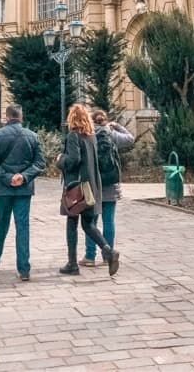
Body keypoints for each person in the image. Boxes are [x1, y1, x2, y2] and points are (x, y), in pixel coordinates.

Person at [56, 103, 120, 277]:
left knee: (72, 223)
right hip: (92, 186)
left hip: (76, 188)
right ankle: (108, 251)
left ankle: (72, 263)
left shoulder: (73, 135)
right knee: (88, 224)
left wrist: (61, 159)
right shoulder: (91, 136)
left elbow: (74, 160)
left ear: (72, 119)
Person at [0, 103, 45, 282]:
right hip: (24, 189)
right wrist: (23, 177)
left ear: (7, 116)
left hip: (3, 188)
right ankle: (24, 268)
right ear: (21, 116)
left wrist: (6, 177)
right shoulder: (32, 136)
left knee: (2, 221)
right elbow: (40, 163)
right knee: (22, 226)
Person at [80, 110, 134, 267]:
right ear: (105, 120)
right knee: (109, 221)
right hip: (110, 184)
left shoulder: (87, 134)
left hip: (93, 185)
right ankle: (107, 257)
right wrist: (116, 126)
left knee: (91, 222)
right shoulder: (111, 133)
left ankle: (90, 256)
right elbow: (130, 139)